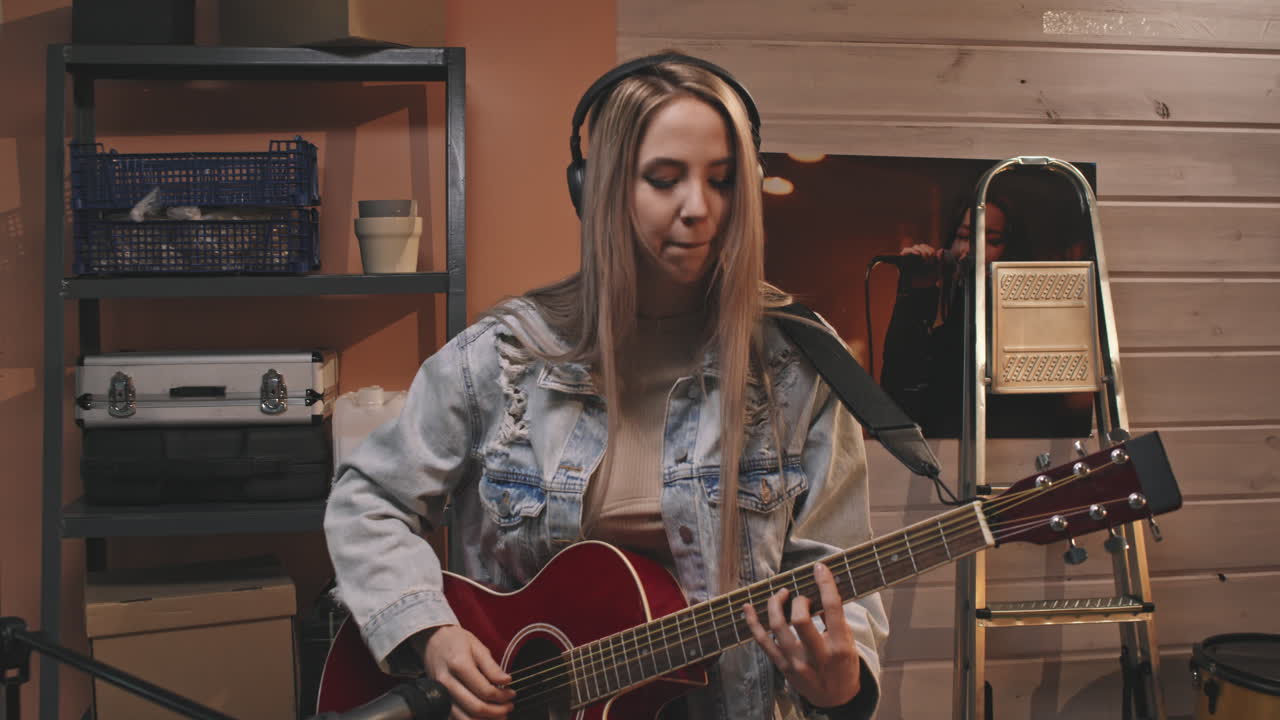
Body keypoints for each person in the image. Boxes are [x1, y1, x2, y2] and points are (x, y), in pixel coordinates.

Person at [324, 53, 888, 720]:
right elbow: (367, 498)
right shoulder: (506, 358)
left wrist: (844, 689)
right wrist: (430, 632)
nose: (699, 208)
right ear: (597, 190)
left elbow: (839, 577)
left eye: (724, 179)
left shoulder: (797, 363)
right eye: (664, 178)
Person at [879, 195, 1091, 439]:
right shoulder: (942, 341)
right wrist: (917, 294)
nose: (970, 251)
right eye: (963, 236)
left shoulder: (1036, 337)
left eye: (990, 240)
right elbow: (897, 405)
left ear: (1012, 253)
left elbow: (1075, 412)